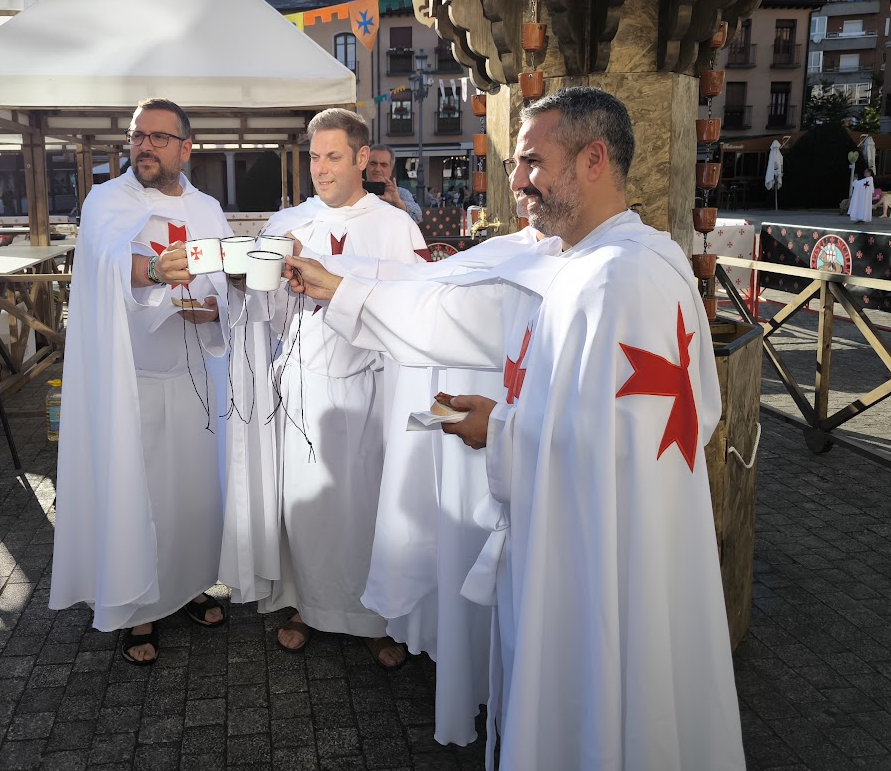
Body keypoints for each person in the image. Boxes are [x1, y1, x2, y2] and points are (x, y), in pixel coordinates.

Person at [287, 87, 745, 769]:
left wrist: (497, 435)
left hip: (593, 550)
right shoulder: (645, 258)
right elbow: (674, 415)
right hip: (641, 529)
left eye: (532, 160)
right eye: (513, 162)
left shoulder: (607, 283)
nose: (518, 178)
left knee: (593, 693)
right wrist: (501, 417)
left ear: (594, 159)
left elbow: (592, 445)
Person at [302, 187, 561, 745]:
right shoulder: (521, 253)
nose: (516, 177)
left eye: (532, 162)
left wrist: (341, 287)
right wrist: (335, 281)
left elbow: (439, 303)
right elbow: (423, 289)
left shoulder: (602, 272)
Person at [229, 108, 428, 670]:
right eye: (315, 156)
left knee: (367, 502)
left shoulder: (396, 227)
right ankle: (306, 604)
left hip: (370, 382)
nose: (320, 168)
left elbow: (416, 306)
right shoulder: (289, 223)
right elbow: (261, 305)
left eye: (333, 156)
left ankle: (373, 616)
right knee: (306, 501)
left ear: (363, 159)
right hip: (303, 381)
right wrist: (244, 274)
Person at [50, 98, 231, 666]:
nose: (144, 146)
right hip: (131, 377)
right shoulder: (108, 200)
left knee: (195, 488)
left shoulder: (206, 206)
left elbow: (223, 272)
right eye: (137, 137)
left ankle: (192, 582)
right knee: (141, 488)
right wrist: (152, 270)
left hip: (194, 371)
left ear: (185, 147)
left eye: (158, 137)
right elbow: (99, 262)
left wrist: (214, 305)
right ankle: (137, 606)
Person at [365, 144, 423, 223]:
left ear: (391, 169)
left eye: (383, 165)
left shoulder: (400, 193)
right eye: (373, 164)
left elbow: (418, 216)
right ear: (365, 165)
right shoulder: (357, 192)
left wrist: (398, 202)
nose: (378, 169)